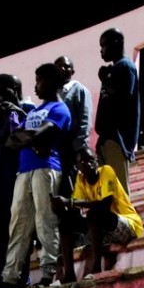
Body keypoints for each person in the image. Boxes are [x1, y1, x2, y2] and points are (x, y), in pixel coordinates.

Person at [0, 63, 72, 288]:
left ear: (52, 82)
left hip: (47, 169)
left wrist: (29, 138)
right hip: (24, 171)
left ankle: (48, 273)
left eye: (39, 81)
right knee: (18, 224)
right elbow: (12, 140)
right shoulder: (35, 111)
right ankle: (10, 276)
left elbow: (41, 134)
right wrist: (31, 139)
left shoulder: (60, 109)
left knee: (45, 221)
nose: (35, 86)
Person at [51, 148, 143, 282]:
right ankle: (69, 274)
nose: (87, 164)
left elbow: (104, 205)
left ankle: (96, 269)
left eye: (90, 160)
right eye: (82, 161)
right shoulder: (81, 179)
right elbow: (74, 210)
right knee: (66, 221)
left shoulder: (106, 171)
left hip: (127, 226)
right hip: (103, 230)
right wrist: (60, 208)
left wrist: (69, 202)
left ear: (97, 162)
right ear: (77, 166)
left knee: (94, 214)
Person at [0, 74, 34, 284]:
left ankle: (22, 277)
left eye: (4, 90)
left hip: (19, 175)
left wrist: (15, 112)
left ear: (15, 87)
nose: (0, 96)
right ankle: (4, 277)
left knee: (20, 228)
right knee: (0, 231)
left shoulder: (29, 110)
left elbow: (26, 139)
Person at [95, 28, 140, 194]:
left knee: (119, 190)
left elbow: (124, 98)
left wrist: (106, 81)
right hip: (107, 138)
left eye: (103, 45)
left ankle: (126, 220)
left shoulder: (125, 66)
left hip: (117, 138)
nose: (101, 50)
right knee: (108, 190)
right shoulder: (112, 70)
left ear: (116, 43)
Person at [54, 56, 94, 197]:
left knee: (72, 188)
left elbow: (85, 120)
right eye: (58, 66)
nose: (62, 69)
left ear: (73, 71)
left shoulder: (79, 90)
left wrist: (80, 148)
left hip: (72, 150)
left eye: (66, 66)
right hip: (57, 152)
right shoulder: (54, 94)